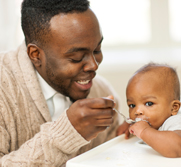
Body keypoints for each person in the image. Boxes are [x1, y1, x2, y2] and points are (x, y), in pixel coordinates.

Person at [0, 0, 122, 166]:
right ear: (35, 54)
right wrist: (67, 134)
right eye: (76, 58)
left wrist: (124, 140)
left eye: (97, 50)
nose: (94, 65)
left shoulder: (101, 91)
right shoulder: (3, 91)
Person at [127, 63, 181, 158]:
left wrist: (144, 131)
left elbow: (178, 148)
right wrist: (129, 125)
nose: (137, 111)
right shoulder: (155, 121)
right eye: (132, 105)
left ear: (174, 108)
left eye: (149, 103)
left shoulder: (177, 122)